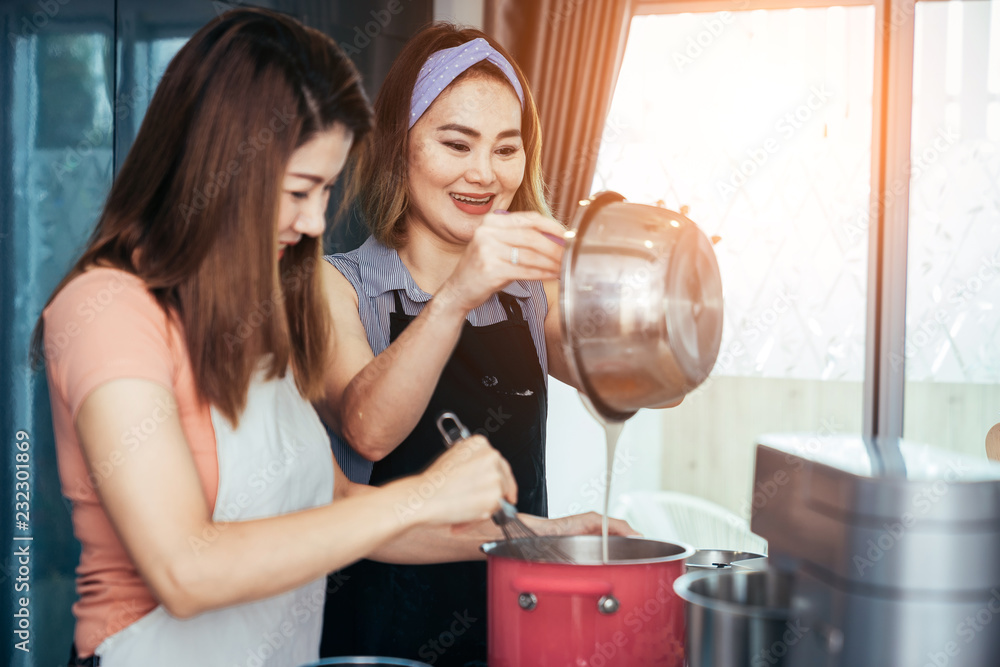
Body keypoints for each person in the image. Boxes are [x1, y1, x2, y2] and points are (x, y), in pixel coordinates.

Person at [32, 9, 522, 666]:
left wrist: (544, 537)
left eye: (327, 188)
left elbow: (342, 504)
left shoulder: (258, 315)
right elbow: (185, 568)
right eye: (301, 189)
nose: (318, 219)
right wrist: (424, 493)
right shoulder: (107, 310)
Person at [317, 23, 636, 666]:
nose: (484, 174)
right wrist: (458, 294)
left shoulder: (531, 297)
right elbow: (367, 430)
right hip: (379, 639)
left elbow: (641, 383)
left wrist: (634, 275)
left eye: (507, 149)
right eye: (456, 143)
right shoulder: (335, 286)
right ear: (397, 147)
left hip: (519, 631)